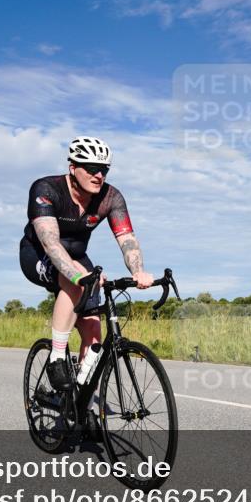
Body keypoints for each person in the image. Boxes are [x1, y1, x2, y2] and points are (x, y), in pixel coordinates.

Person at [20, 136, 152, 391]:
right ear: (72, 168)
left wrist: (138, 271)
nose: (98, 175)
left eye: (103, 169)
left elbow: (127, 239)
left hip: (78, 256)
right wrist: (79, 276)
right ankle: (57, 358)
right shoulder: (46, 189)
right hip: (38, 253)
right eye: (91, 168)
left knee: (93, 329)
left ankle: (82, 399)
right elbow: (51, 244)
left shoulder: (111, 198)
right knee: (76, 282)